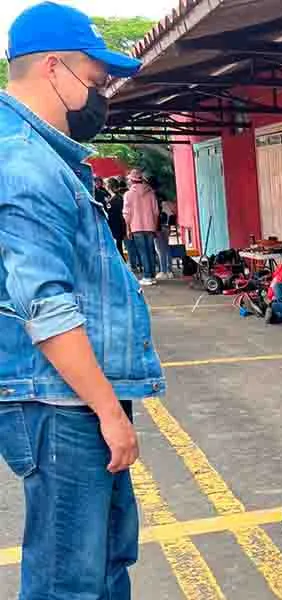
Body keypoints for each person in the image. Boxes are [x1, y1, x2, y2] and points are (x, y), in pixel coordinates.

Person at [0, 3, 165, 600]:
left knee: (107, 561)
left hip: (76, 396)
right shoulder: (23, 163)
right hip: (60, 403)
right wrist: (109, 412)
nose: (100, 97)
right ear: (52, 68)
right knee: (68, 582)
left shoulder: (48, 158)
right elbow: (45, 306)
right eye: (95, 81)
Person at [123, 169, 159, 285]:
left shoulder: (128, 195)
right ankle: (152, 275)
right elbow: (156, 212)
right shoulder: (151, 193)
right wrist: (154, 225)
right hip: (150, 226)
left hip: (136, 226)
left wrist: (128, 228)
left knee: (143, 252)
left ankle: (147, 276)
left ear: (132, 180)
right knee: (150, 251)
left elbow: (127, 213)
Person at [154, 185, 177, 280]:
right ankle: (169, 270)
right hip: (167, 227)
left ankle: (163, 271)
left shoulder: (156, 203)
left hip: (158, 227)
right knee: (167, 248)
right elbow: (173, 213)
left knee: (160, 250)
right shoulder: (168, 203)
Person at [106, 177, 128, 259]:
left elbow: (115, 214)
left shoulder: (115, 199)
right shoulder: (118, 198)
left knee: (119, 247)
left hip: (117, 226)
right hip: (118, 226)